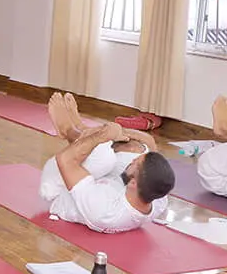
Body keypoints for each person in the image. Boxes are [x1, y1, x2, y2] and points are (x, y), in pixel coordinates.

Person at [41, 92, 174, 233]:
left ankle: (68, 131)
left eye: (135, 164)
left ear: (133, 183)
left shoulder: (104, 211)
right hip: (109, 182)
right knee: (138, 147)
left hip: (60, 187)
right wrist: (117, 132)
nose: (133, 160)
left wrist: (105, 135)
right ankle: (83, 128)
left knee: (103, 155)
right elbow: (150, 143)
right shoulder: (157, 196)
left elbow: (65, 160)